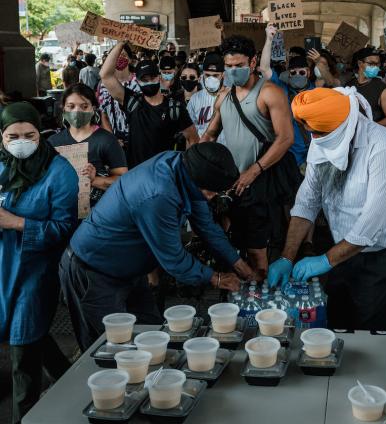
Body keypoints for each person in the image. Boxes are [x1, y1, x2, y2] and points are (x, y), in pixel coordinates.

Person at [59, 143, 255, 351]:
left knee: (152, 336)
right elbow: (174, 260)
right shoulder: (158, 194)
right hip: (93, 271)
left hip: (129, 271)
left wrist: (237, 262)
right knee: (112, 350)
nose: (212, 196)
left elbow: (206, 224)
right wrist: (216, 278)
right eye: (210, 192)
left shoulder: (184, 165)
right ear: (195, 181)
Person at [267, 87, 386, 332]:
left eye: (319, 133)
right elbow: (307, 202)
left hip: (382, 255)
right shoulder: (322, 137)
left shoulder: (384, 147)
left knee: (372, 328)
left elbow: (370, 225)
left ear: (343, 127)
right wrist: (286, 256)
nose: (314, 138)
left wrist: (325, 260)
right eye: (312, 133)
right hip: (342, 250)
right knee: (337, 321)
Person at [0, 102, 78, 423]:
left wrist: (15, 223)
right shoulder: (1, 166)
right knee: (34, 337)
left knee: (23, 353)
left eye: (29, 135)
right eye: (12, 136)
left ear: (40, 133)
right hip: (4, 267)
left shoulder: (59, 173)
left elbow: (63, 229)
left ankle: (25, 416)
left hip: (35, 270)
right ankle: (72, 382)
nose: (21, 141)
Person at [201, 35, 297, 279]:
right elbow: (210, 134)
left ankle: (261, 295)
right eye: (229, 67)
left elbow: (285, 138)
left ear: (253, 62)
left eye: (239, 66)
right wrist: (195, 163)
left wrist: (254, 170)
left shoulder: (270, 93)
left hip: (261, 182)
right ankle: (244, 292)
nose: (234, 71)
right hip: (234, 184)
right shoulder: (223, 97)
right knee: (234, 242)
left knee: (258, 249)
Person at [100, 41, 199, 168]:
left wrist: (187, 167)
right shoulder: (132, 101)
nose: (149, 82)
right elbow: (105, 75)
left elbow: (193, 139)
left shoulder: (175, 107)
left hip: (163, 174)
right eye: (144, 80)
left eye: (152, 78)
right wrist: (121, 44)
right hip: (136, 173)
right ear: (138, 81)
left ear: (159, 77)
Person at [48, 84, 128, 207]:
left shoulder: (106, 140)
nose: (77, 111)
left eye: (84, 106)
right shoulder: (53, 142)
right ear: (63, 109)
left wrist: (94, 180)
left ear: (93, 109)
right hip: (61, 214)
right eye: (71, 106)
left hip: (98, 213)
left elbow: (124, 181)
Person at [259, 25, 315, 168]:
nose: (297, 75)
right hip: (290, 156)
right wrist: (269, 40)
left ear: (308, 73)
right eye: (293, 73)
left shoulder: (316, 92)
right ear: (288, 74)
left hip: (314, 155)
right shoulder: (281, 89)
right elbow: (265, 69)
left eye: (301, 73)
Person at [97, 48, 139, 150]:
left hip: (138, 139)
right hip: (115, 141)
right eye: (116, 55)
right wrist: (112, 139)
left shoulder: (139, 82)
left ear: (130, 59)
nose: (120, 58)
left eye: (124, 55)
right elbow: (104, 115)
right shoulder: (103, 85)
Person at [351, 48, 386, 128]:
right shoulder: (349, 85)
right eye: (371, 63)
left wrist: (368, 128)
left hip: (371, 137)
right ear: (360, 63)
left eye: (377, 64)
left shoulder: (383, 89)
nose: (375, 67)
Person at [187, 53, 225, 138]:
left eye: (215, 75)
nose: (211, 79)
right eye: (207, 75)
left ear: (223, 75)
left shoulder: (230, 96)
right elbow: (190, 130)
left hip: (225, 149)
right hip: (202, 147)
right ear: (203, 74)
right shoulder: (195, 99)